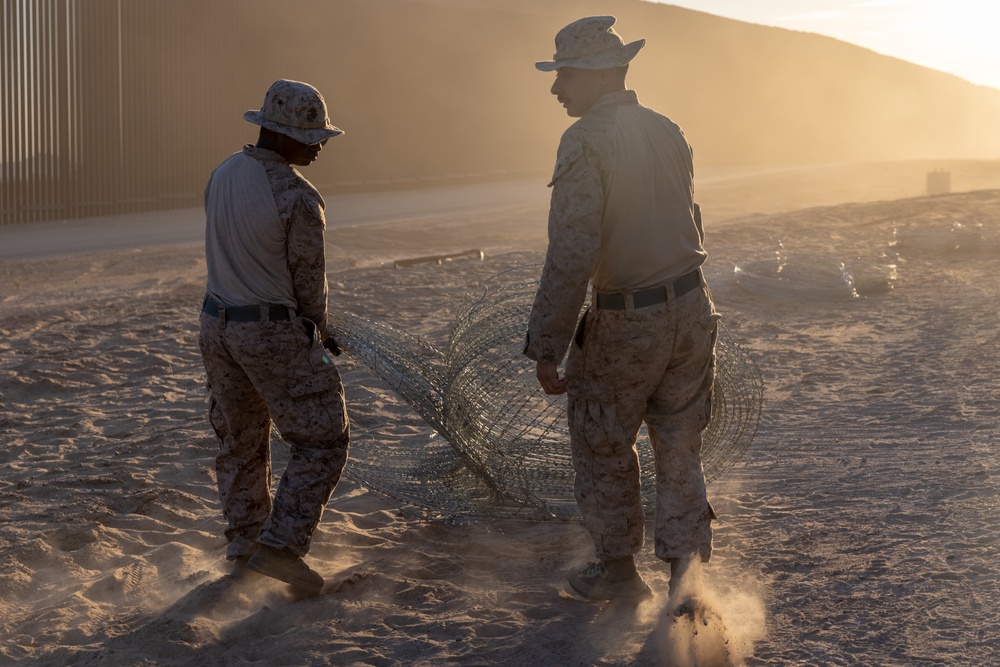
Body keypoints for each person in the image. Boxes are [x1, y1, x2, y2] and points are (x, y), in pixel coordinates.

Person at [525, 16, 720, 601]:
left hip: (628, 317)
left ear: (599, 74)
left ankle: (616, 575)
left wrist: (547, 343)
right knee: (680, 442)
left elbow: (574, 249)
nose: (556, 89)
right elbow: (692, 218)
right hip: (691, 306)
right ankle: (689, 582)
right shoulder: (667, 128)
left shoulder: (585, 141)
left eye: (564, 76)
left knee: (601, 440)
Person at [198, 79, 349, 596]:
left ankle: (244, 549)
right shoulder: (298, 196)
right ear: (278, 135)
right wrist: (321, 330)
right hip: (269, 329)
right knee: (323, 439)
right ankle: (282, 547)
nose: (319, 145)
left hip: (216, 324)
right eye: (309, 136)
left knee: (239, 442)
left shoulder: (222, 174)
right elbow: (308, 280)